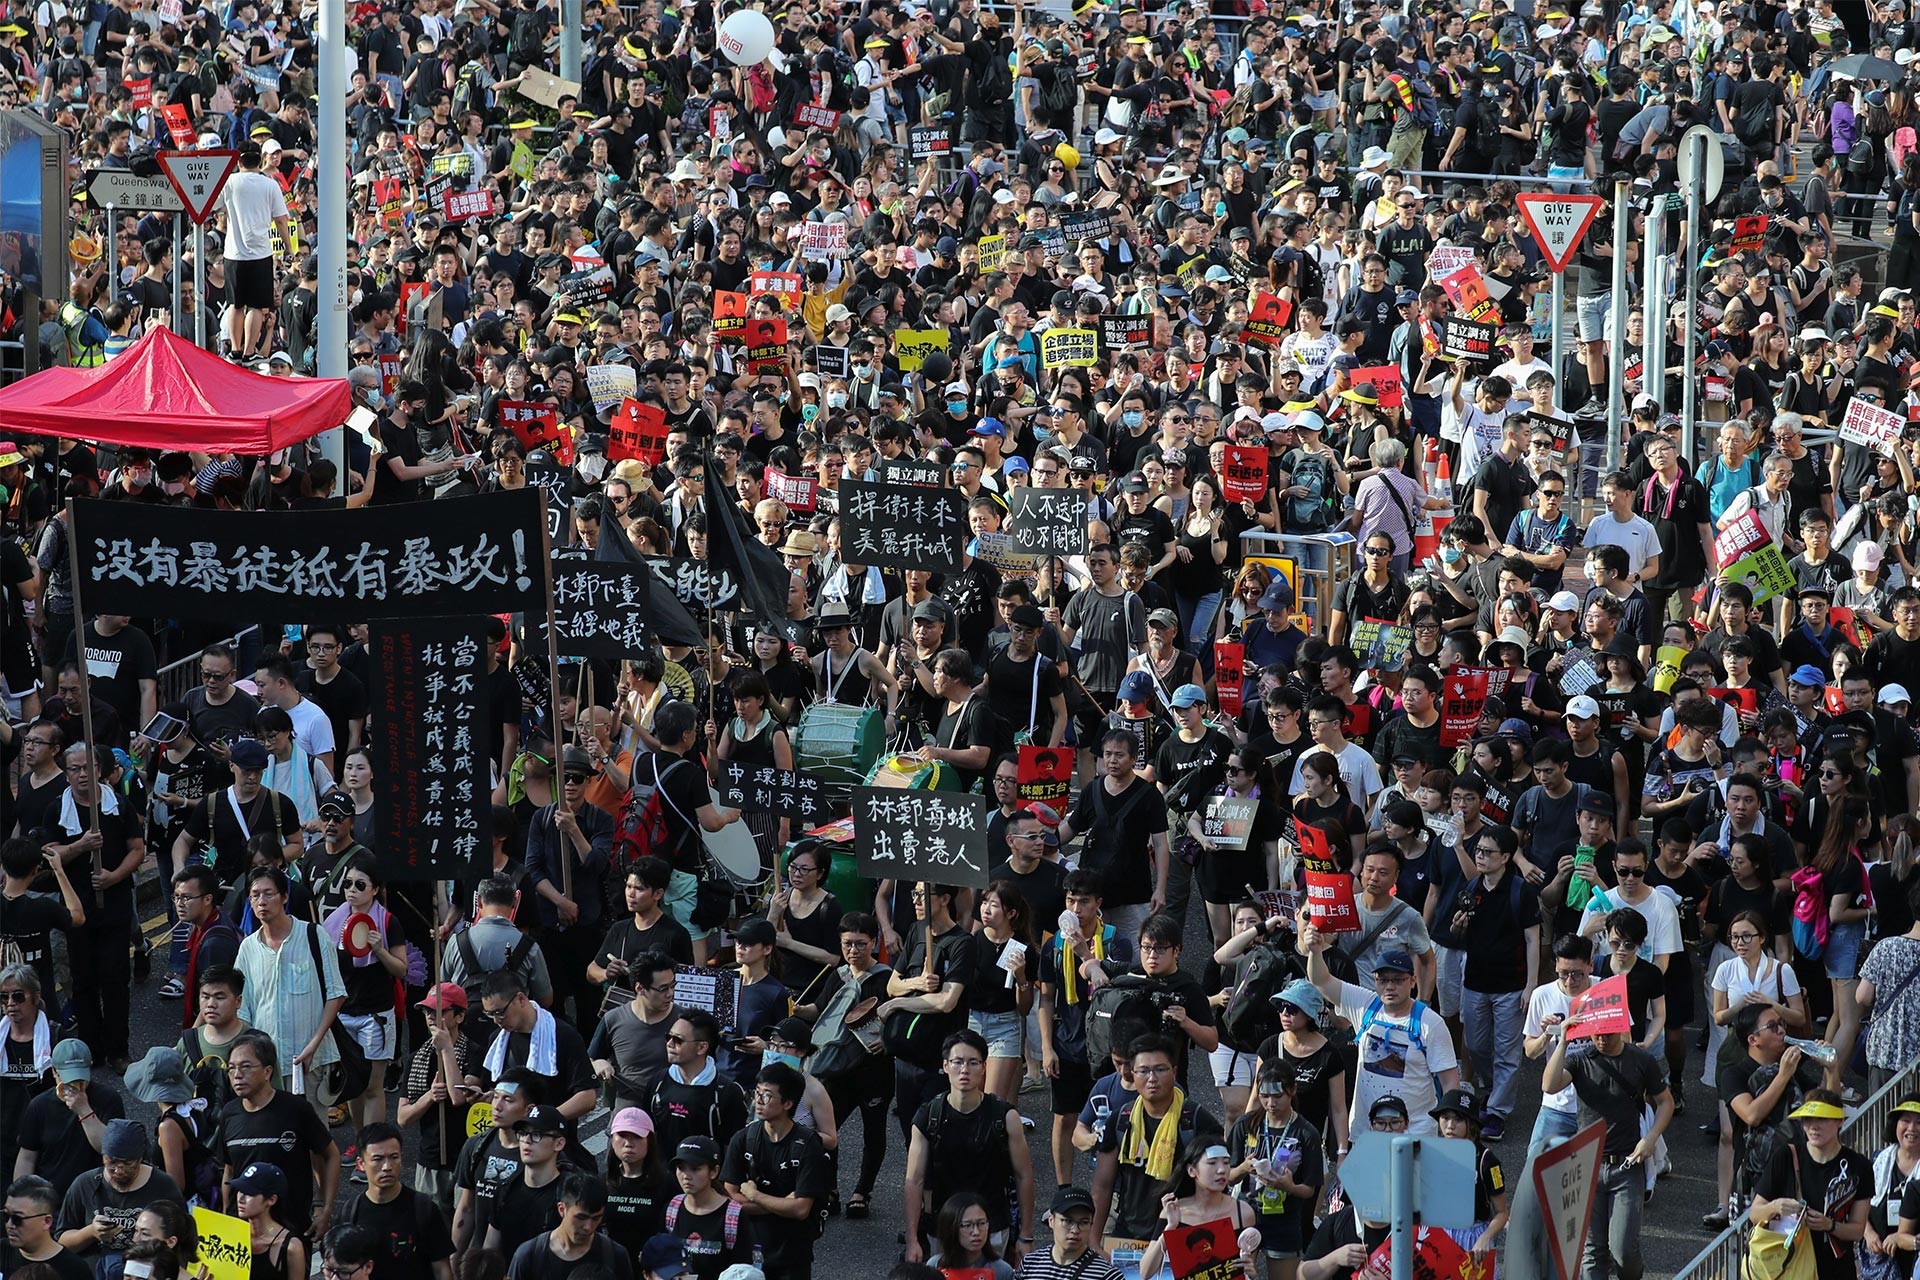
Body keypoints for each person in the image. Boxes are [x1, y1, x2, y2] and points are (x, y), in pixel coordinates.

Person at [1541, 1010, 1675, 1280]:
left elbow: (1665, 1102)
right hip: (1586, 1165)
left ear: (1621, 1027)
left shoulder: (1641, 1060)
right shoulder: (1580, 1060)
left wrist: (1649, 1139)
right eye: (1596, 1031)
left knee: (1623, 1250)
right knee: (1592, 1252)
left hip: (1626, 1165)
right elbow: (1550, 1085)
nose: (1601, 1038)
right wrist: (1564, 1040)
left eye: (1608, 1031)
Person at [1299, 930, 1460, 1139]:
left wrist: (1451, 1129)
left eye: (1397, 980)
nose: (1389, 986)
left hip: (1415, 1133)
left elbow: (1449, 1082)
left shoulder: (1431, 1024)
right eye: (1383, 980)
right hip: (1365, 1131)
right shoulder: (1364, 1004)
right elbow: (1321, 980)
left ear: (1412, 981)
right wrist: (1315, 952)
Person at [1089, 1035, 1223, 1270]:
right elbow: (1102, 1185)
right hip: (1130, 1238)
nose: (1151, 1078)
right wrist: (1093, 1240)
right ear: (1132, 1073)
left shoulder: (1198, 1121)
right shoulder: (1120, 1120)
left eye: (1160, 1069)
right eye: (1143, 1071)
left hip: (1188, 1234)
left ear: (1174, 1071)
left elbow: (1220, 1183)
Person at [901, 1030, 1035, 1265]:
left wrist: (1025, 1235)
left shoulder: (1004, 1117)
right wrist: (912, 1238)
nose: (965, 1069)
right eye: (958, 1062)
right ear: (945, 1066)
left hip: (992, 1229)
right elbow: (914, 1180)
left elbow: (1024, 1176)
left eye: (973, 1062)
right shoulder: (928, 1117)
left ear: (984, 1067)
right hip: (942, 1228)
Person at [230, 867, 346, 1115]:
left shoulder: (314, 936)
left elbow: (336, 994)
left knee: (313, 1139)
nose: (262, 902)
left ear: (284, 897)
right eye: (255, 895)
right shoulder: (248, 949)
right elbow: (242, 1008)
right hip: (265, 1068)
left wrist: (313, 1046)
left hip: (311, 1061)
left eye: (269, 894)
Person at [214, 1029, 339, 1238]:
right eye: (232, 1068)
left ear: (267, 1072)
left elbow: (331, 1155)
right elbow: (229, 1170)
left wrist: (323, 1207)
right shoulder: (229, 1113)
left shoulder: (296, 1109)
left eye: (246, 1067)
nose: (237, 1075)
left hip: (291, 1228)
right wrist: (228, 1217)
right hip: (244, 1231)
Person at [720, 1064, 832, 1280]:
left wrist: (754, 1196)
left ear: (788, 1103)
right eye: (758, 1093)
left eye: (768, 1096)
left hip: (792, 1255)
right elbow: (729, 1200)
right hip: (748, 1251)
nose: (758, 1101)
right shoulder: (743, 1139)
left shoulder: (808, 1145)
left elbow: (800, 1209)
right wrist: (782, 1203)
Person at [1750, 1089, 1873, 1280]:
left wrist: (1829, 1225)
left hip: (1835, 1270)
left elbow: (1857, 1230)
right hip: (1789, 1266)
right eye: (1807, 1119)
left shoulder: (1859, 1166)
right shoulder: (1785, 1156)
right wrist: (1775, 1206)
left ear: (1840, 1121)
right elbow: (1754, 1213)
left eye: (1823, 1119)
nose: (1814, 1127)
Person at [1226, 1059, 1323, 1279]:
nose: (1270, 1103)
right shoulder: (1245, 1125)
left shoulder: (1307, 1134)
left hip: (1285, 1218)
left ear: (1293, 1090)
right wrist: (1242, 1168)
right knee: (1236, 1276)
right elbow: (1227, 1178)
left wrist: (1288, 1186)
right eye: (1264, 1095)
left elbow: (1309, 1189)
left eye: (1278, 1096)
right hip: (1246, 1212)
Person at [395, 982, 484, 1217]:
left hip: (465, 1157)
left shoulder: (476, 1052)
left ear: (460, 1016)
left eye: (439, 1011)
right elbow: (403, 1119)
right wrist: (429, 1097)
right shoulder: (417, 1058)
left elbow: (458, 1097)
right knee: (431, 1228)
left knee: (465, 1224)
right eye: (427, 1011)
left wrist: (447, 1051)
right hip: (430, 1159)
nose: (431, 1018)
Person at [52, 1119, 184, 1268]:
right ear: (103, 1156)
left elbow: (182, 1240)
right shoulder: (85, 1184)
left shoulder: (163, 1186)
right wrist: (91, 1232)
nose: (119, 1170)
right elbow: (62, 1243)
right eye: (111, 1163)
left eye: (128, 1164)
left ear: (140, 1158)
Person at [337, 1122, 455, 1280]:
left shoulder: (424, 1209)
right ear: (361, 1164)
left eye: (394, 1157)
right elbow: (338, 1268)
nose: (387, 1166)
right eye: (377, 1159)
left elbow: (442, 1270)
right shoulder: (349, 1213)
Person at [15, 1039, 126, 1200]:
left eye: (80, 1077)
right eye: (67, 1077)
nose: (74, 1084)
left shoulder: (108, 1099)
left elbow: (111, 1149)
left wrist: (84, 1110)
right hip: (51, 1197)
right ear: (54, 1071)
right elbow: (27, 1156)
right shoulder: (40, 1105)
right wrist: (22, 1198)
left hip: (95, 1197)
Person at [645, 1009, 749, 1157]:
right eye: (668, 1037)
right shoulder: (658, 1081)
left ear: (701, 1047)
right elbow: (648, 1133)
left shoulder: (726, 1092)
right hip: (661, 1177)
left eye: (678, 1040)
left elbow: (733, 1148)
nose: (669, 1044)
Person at [591, 952, 681, 1114]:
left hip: (672, 1109)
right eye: (663, 989)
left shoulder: (684, 1021)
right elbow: (592, 1057)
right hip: (628, 1114)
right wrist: (599, 1063)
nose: (670, 993)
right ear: (640, 988)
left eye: (673, 985)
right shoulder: (613, 1019)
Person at [507, 1172, 634, 1280]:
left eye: (596, 1218)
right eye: (581, 1217)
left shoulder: (615, 1255)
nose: (588, 1227)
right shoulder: (529, 1256)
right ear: (562, 1209)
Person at [663, 1138, 755, 1278]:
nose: (686, 1176)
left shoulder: (733, 1215)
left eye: (695, 1169)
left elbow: (743, 1270)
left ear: (714, 1172)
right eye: (681, 1168)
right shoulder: (672, 1208)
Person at [1016, 1188, 1123, 1280]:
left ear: (1091, 1224)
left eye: (1084, 1222)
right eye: (1067, 1221)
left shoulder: (1108, 1275)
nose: (1075, 1230)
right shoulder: (1029, 1265)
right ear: (1051, 1220)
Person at [3, 1174, 96, 1280]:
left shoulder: (74, 1269)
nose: (10, 1224)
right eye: (5, 1215)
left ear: (46, 1221)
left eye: (17, 1218)